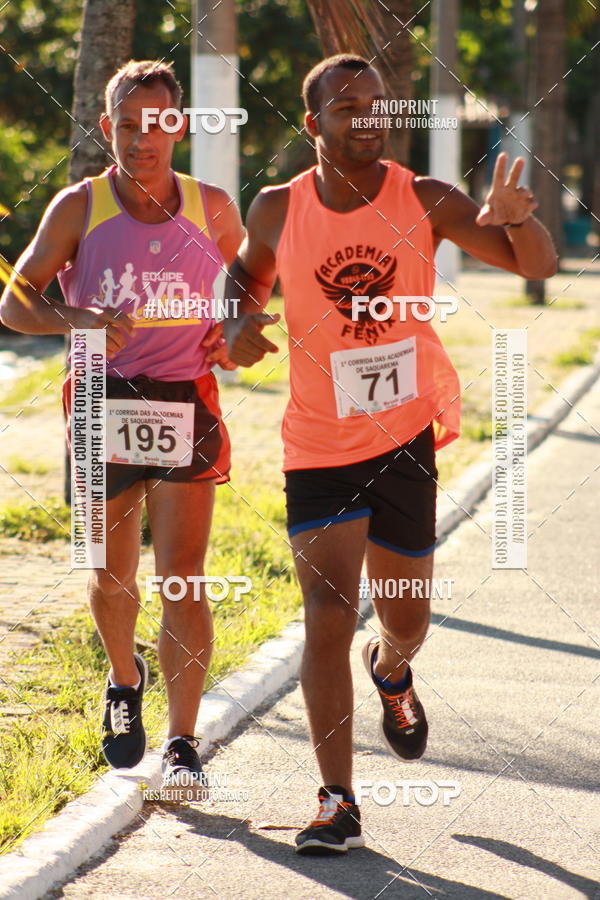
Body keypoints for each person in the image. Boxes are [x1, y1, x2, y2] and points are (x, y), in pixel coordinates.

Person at [223, 54, 556, 854]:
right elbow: (240, 282)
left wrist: (515, 217)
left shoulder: (427, 199)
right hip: (317, 442)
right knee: (326, 615)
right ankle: (337, 799)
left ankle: (394, 671)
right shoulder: (276, 208)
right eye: (347, 109)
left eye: (377, 107)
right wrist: (236, 328)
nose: (367, 119)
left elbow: (536, 265)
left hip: (403, 439)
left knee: (405, 616)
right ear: (313, 126)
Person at [0, 60, 243, 792]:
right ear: (107, 128)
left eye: (158, 123)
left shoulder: (213, 206)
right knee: (110, 578)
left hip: (183, 402)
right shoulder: (79, 207)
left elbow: (250, 289)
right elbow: (15, 303)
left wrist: (230, 326)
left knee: (182, 581)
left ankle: (181, 743)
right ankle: (123, 676)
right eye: (128, 125)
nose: (143, 139)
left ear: (180, 126)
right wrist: (76, 318)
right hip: (101, 402)